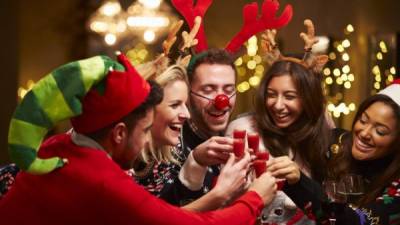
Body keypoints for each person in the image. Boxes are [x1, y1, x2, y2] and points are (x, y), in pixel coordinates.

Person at [0, 52, 278, 225]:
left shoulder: (59, 146)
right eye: (144, 130)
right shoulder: (102, 180)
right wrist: (254, 198)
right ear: (119, 133)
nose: (146, 141)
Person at [226, 21, 331, 224]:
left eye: (290, 96)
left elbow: (331, 206)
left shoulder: (323, 129)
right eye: (271, 94)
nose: (278, 105)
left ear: (307, 98)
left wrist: (301, 181)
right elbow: (227, 202)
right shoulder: (243, 131)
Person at [279, 80, 400, 225]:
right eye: (363, 120)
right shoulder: (335, 141)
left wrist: (299, 182)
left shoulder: (396, 184)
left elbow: (356, 221)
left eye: (380, 131)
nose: (364, 133)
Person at [133, 64, 250, 211]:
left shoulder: (171, 150)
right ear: (147, 110)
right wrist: (222, 194)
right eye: (175, 105)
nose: (186, 114)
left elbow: (176, 204)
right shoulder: (123, 164)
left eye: (228, 89)